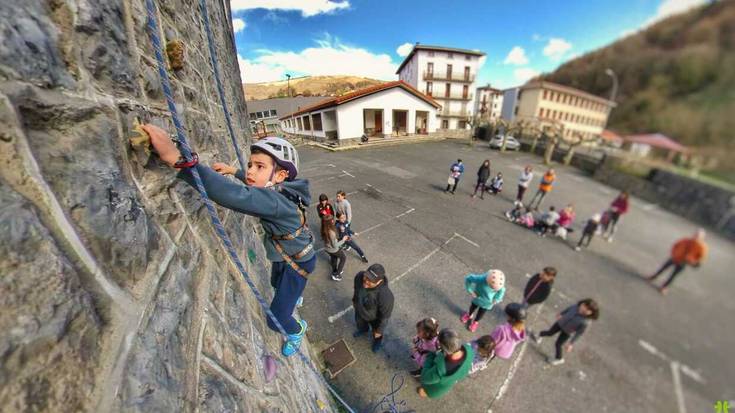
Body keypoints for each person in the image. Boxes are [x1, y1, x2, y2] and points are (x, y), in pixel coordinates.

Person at [143, 124, 314, 357]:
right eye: (250, 165)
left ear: (281, 175)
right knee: (276, 284)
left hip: (297, 264)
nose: (251, 171)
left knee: (277, 319)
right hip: (290, 256)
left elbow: (234, 195)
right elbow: (255, 183)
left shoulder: (275, 202)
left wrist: (178, 160)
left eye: (259, 166)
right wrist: (234, 171)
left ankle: (296, 330)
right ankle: (293, 295)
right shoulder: (285, 189)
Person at [537, 299, 600, 366]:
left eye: (588, 309)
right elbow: (568, 309)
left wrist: (571, 343)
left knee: (558, 344)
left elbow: (579, 334)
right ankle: (539, 335)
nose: (584, 309)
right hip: (560, 323)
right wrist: (561, 314)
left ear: (591, 313)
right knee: (550, 333)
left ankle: (559, 359)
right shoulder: (575, 306)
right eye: (584, 305)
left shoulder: (585, 322)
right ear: (582, 303)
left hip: (567, 332)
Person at [647, 229, 707, 295]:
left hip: (683, 262)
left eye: (698, 236)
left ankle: (664, 287)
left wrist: (692, 261)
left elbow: (700, 259)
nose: (695, 236)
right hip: (675, 258)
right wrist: (673, 253)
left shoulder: (702, 248)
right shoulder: (685, 240)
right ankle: (653, 277)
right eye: (695, 234)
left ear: (702, 238)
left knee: (673, 275)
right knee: (663, 268)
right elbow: (676, 245)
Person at [418, 328, 474, 399]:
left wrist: (430, 355)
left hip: (434, 388)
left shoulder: (441, 368)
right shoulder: (468, 349)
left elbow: (424, 378)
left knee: (421, 391)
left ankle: (423, 391)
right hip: (450, 382)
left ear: (444, 348)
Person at [352, 264, 394, 352]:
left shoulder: (385, 295)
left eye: (371, 280)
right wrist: (355, 302)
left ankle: (377, 341)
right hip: (360, 310)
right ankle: (363, 330)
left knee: (377, 333)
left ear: (379, 281)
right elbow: (356, 290)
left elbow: (384, 317)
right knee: (360, 324)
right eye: (366, 277)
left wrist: (379, 331)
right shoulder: (359, 276)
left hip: (374, 318)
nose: (366, 282)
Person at [523, 267, 557, 340]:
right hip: (527, 295)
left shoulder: (547, 287)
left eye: (545, 275)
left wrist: (532, 300)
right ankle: (519, 314)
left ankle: (519, 319)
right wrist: (526, 292)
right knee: (522, 305)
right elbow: (530, 282)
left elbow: (542, 298)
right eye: (542, 273)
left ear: (551, 277)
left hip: (531, 301)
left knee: (524, 309)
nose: (542, 275)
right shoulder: (537, 276)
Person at [321, 214, 348, 281]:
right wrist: (343, 240)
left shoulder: (323, 228)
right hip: (333, 249)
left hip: (327, 248)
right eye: (332, 220)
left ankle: (335, 271)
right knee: (343, 258)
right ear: (330, 222)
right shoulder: (331, 232)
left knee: (334, 258)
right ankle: (337, 274)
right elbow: (335, 245)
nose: (333, 220)